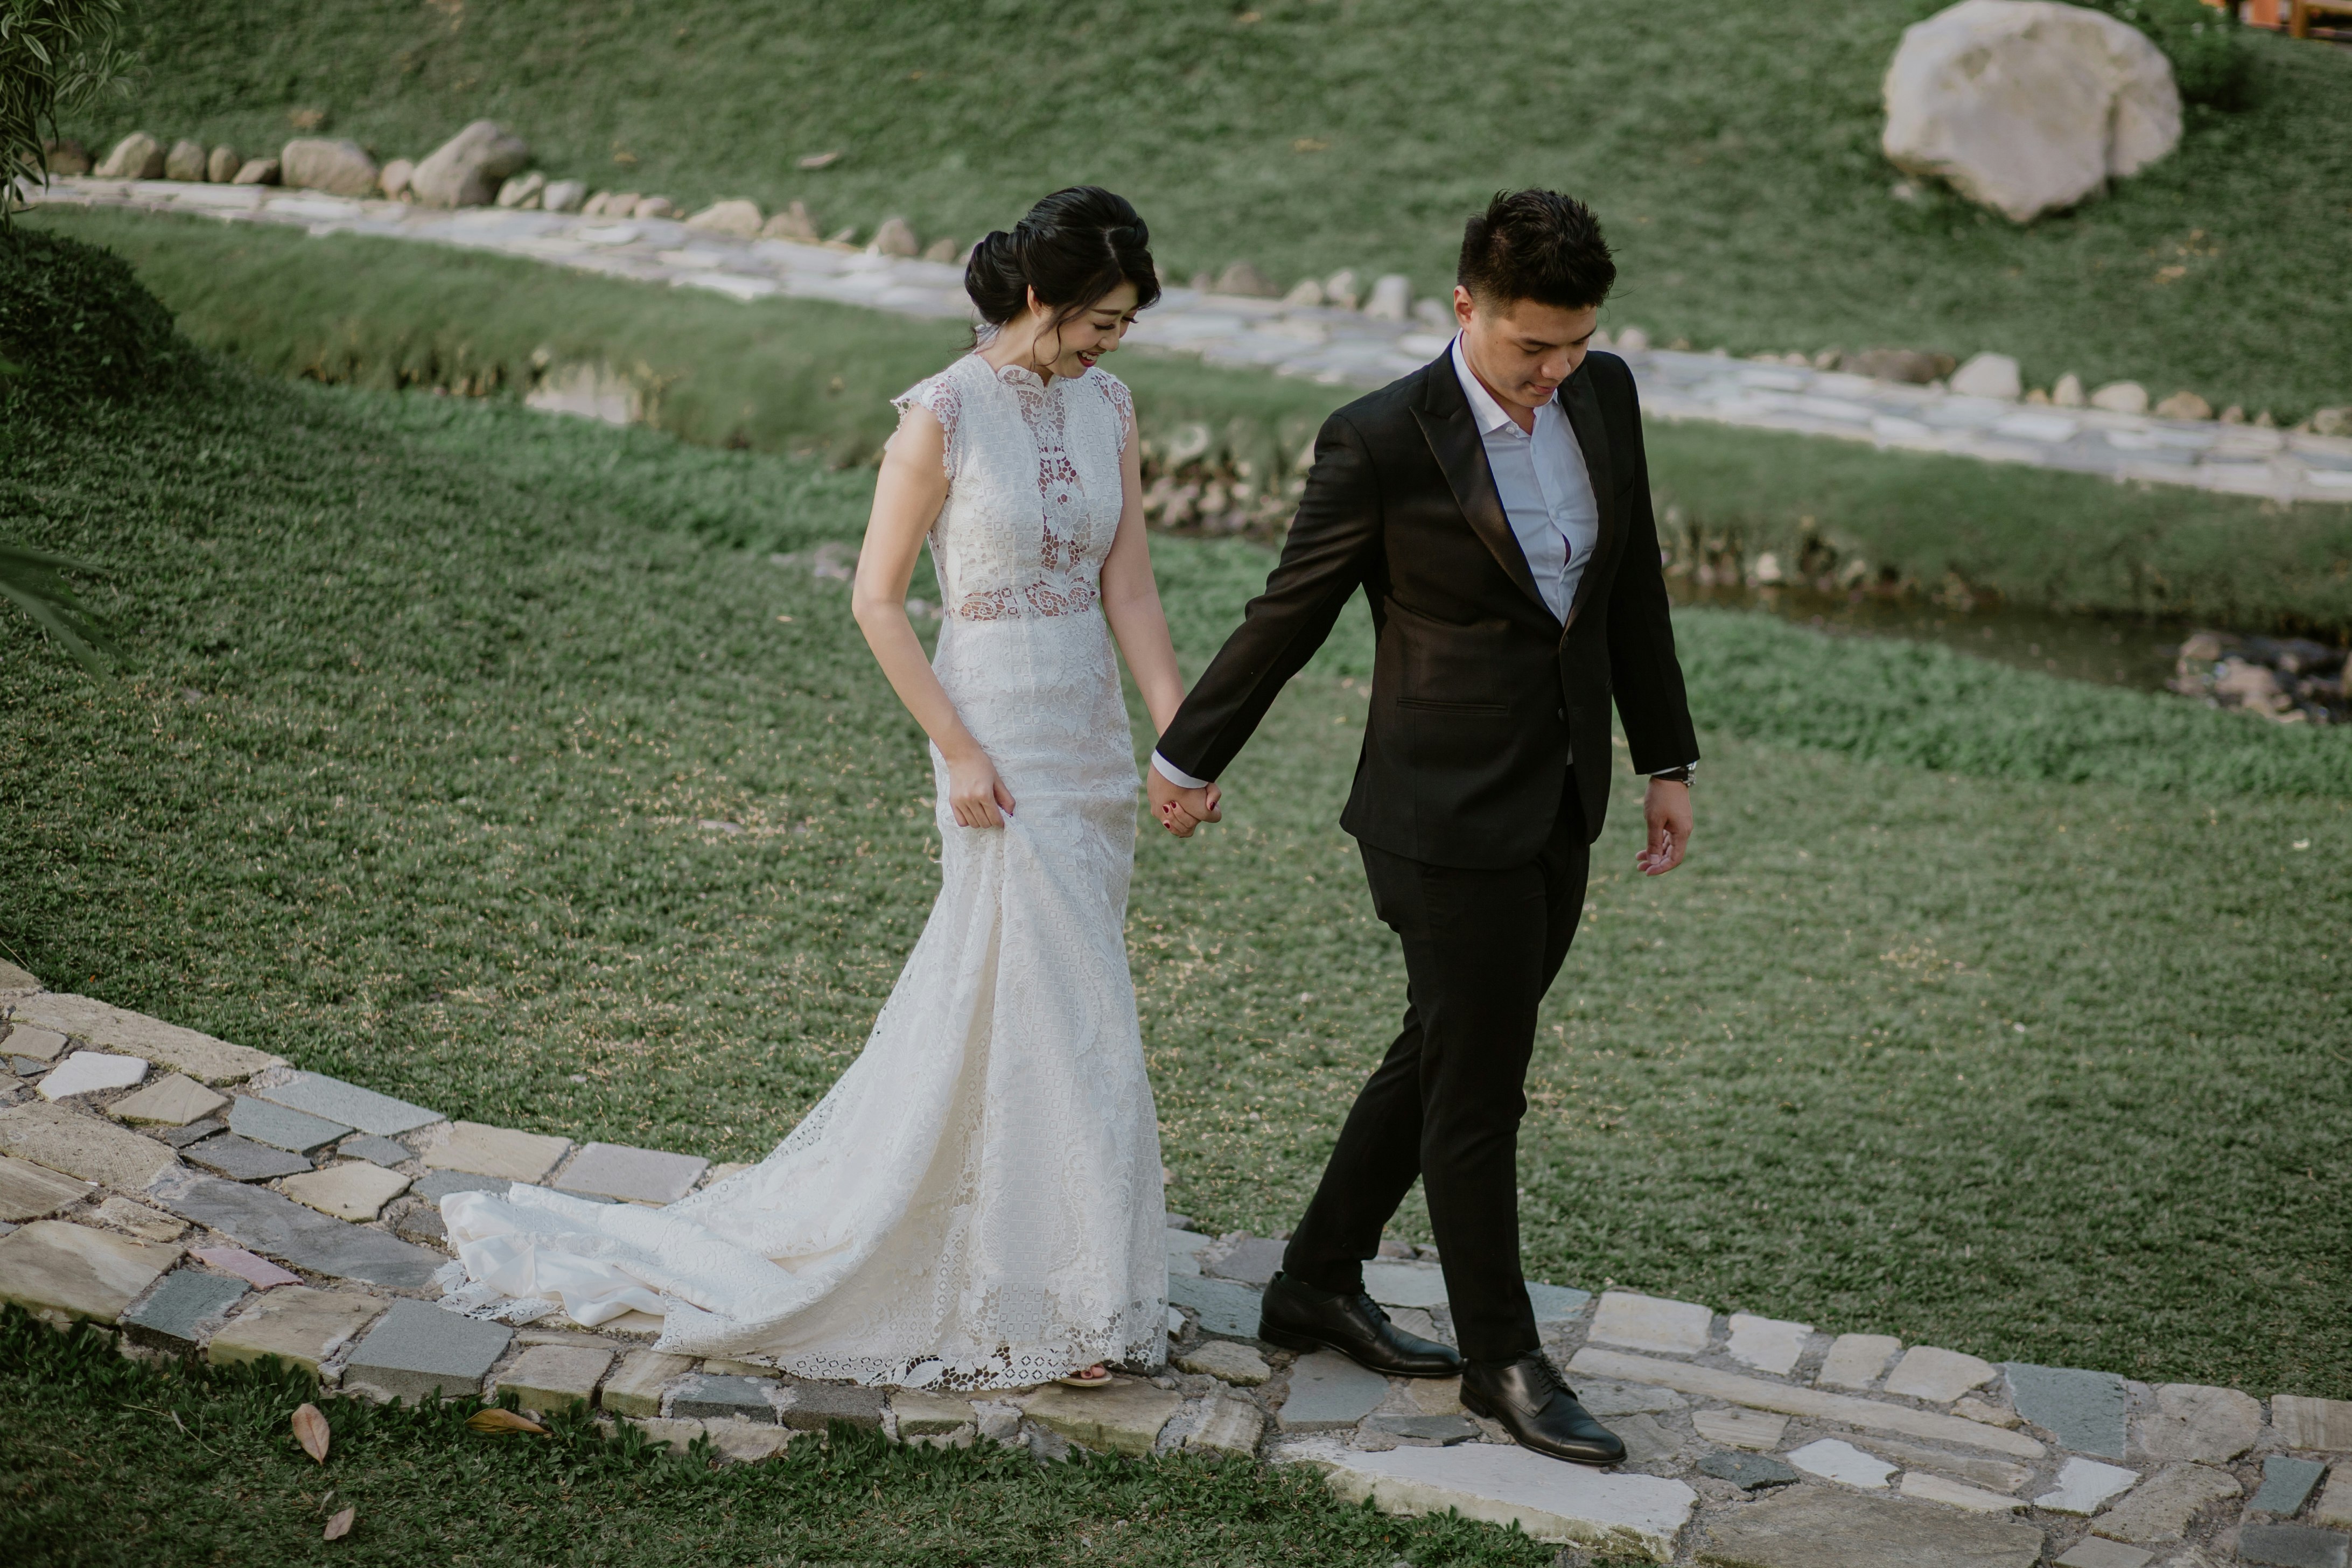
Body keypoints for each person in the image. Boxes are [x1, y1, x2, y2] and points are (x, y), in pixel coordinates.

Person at [440, 186, 1189, 1392]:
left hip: (1087, 731)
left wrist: (1177, 740)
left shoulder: (1110, 408)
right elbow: (876, 601)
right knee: (1056, 995)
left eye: (1125, 327)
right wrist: (955, 747)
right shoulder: (940, 415)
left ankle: (1069, 1270)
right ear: (1043, 299)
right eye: (1100, 320)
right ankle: (1048, 1297)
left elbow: (1135, 589)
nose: (1112, 343)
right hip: (990, 725)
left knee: (1062, 996)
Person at [1148, 190, 1699, 1464]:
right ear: (1464, 308)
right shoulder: (1383, 439)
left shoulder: (1604, 397)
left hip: (1563, 795)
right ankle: (1503, 1357)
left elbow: (1634, 585)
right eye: (1532, 349)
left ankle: (1315, 1278)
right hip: (1437, 812)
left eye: (1576, 344)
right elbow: (1290, 613)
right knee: (1480, 1085)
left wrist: (1663, 754)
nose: (1556, 372)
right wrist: (1187, 753)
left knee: (1450, 1041)